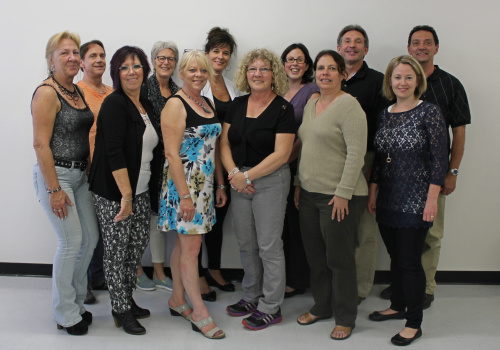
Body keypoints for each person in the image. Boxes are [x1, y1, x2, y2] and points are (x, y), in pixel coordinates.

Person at [380, 25, 472, 309]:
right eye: (416, 43)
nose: (421, 47)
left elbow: (458, 132)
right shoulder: (394, 93)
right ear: (408, 48)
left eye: (427, 42)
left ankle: (426, 288)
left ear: (436, 47)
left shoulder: (450, 84)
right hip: (396, 183)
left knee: (430, 234)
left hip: (431, 178)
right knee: (400, 244)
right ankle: (403, 289)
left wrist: (451, 172)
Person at [367, 55, 447, 346]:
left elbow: (440, 160)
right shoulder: (385, 113)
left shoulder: (430, 112)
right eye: (397, 77)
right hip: (388, 198)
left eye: (408, 77)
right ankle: (397, 305)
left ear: (418, 81)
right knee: (396, 259)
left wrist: (431, 200)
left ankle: (414, 322)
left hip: (416, 201)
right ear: (390, 81)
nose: (402, 82)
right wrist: (374, 191)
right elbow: (379, 159)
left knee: (410, 262)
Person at [294, 50, 367, 341]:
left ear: (342, 74)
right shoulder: (312, 103)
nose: (325, 73)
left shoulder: (350, 107)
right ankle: (322, 306)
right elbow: (307, 147)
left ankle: (345, 316)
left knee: (339, 259)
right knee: (316, 258)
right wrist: (299, 183)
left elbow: (356, 154)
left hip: (339, 197)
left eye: (332, 69)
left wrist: (343, 194)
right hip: (310, 195)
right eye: (321, 68)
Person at [221, 48, 295, 330]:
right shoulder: (237, 105)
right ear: (245, 74)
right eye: (252, 69)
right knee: (247, 244)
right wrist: (234, 174)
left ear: (274, 74)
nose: (258, 74)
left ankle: (271, 306)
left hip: (270, 181)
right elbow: (225, 144)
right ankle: (251, 295)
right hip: (239, 179)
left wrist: (247, 176)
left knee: (269, 246)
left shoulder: (283, 109)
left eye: (264, 69)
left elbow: (282, 154)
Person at [89, 46, 160, 335]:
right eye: (124, 67)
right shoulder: (115, 103)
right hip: (115, 193)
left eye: (136, 66)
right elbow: (114, 152)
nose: (131, 72)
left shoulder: (145, 103)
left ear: (145, 70)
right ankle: (120, 310)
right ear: (116, 73)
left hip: (140, 190)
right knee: (117, 251)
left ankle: (127, 299)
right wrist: (126, 197)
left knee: (135, 247)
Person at [32, 31, 99, 335]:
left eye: (75, 52)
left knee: (90, 240)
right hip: (56, 176)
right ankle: (65, 313)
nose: (72, 57)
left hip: (80, 176)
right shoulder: (47, 93)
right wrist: (54, 189)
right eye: (64, 53)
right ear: (51, 60)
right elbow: (41, 145)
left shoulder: (75, 90)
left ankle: (76, 303)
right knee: (70, 243)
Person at [158, 50, 226, 339]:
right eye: (192, 70)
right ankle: (198, 310)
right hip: (183, 187)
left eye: (203, 70)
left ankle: (176, 299)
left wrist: (220, 184)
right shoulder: (175, 105)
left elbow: (215, 147)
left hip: (205, 186)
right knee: (192, 249)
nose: (198, 75)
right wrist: (185, 197)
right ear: (181, 73)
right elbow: (172, 155)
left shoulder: (208, 102)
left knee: (183, 246)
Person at [336, 24, 390, 304]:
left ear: (366, 49)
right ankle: (336, 284)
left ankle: (358, 289)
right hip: (333, 160)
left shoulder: (378, 81)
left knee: (364, 229)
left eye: (358, 42)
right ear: (338, 47)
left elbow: (384, 130)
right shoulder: (329, 77)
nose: (352, 46)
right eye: (347, 41)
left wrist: (374, 173)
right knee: (336, 228)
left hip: (366, 162)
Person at [135, 40, 180, 292]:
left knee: (159, 219)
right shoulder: (142, 89)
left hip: (170, 163)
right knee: (143, 217)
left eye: (170, 58)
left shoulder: (177, 90)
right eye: (161, 58)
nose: (165, 62)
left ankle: (160, 272)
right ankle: (139, 270)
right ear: (153, 62)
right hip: (145, 163)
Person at [198, 26, 238, 301]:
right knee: (199, 222)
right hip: (202, 166)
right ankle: (199, 275)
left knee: (218, 220)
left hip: (227, 162)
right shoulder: (197, 84)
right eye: (216, 51)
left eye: (226, 52)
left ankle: (214, 269)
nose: (221, 56)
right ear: (207, 53)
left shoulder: (232, 86)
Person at [280, 43, 319, 298]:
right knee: (280, 225)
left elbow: (306, 134)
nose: (294, 63)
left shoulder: (312, 92)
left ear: (307, 66)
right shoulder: (277, 90)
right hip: (276, 165)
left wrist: (284, 158)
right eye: (290, 59)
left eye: (300, 60)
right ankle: (281, 276)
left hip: (297, 164)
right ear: (284, 63)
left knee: (296, 225)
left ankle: (297, 279)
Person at [77, 39, 114, 305]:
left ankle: (98, 275)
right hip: (85, 170)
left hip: (110, 170)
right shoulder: (76, 92)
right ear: (81, 63)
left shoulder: (112, 92)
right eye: (93, 56)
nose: (99, 60)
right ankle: (82, 283)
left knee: (103, 226)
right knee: (85, 230)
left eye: (102, 55)